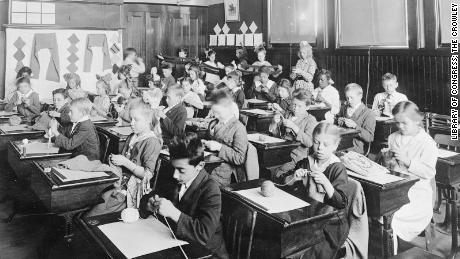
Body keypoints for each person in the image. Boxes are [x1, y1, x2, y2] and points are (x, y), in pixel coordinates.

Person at [139, 133, 229, 258]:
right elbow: (148, 198)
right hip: (176, 244)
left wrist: (173, 212)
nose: (175, 175)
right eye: (174, 167)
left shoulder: (210, 189)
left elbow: (203, 234)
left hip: (206, 253)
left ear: (200, 166)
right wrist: (148, 205)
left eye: (181, 170)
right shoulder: (173, 174)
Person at [275, 122, 350, 259]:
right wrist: (294, 177)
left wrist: (326, 183)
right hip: (307, 217)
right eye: (316, 142)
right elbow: (284, 182)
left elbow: (342, 202)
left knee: (306, 252)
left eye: (325, 145)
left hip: (330, 224)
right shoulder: (306, 162)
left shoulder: (337, 168)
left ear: (335, 146)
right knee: (282, 242)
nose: (320, 148)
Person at [87, 101, 162, 216]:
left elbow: (147, 175)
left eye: (136, 120)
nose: (131, 123)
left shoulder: (152, 142)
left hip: (132, 192)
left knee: (93, 213)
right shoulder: (133, 136)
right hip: (120, 183)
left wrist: (125, 162)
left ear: (147, 121)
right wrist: (115, 161)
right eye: (131, 119)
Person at [385, 101, 437, 254]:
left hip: (417, 195)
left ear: (416, 120)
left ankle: (391, 253)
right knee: (375, 213)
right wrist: (387, 161)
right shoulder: (393, 137)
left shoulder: (427, 143)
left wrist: (408, 161)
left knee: (390, 219)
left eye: (404, 123)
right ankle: (383, 250)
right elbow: (391, 168)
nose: (400, 127)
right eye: (397, 123)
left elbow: (428, 172)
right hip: (395, 189)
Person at [203, 89, 248, 186]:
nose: (215, 115)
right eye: (214, 112)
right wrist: (205, 144)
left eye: (218, 112)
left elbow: (239, 158)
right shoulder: (216, 123)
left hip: (221, 175)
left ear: (228, 109)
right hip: (207, 167)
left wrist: (219, 147)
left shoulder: (238, 128)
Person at [271, 89, 318, 178]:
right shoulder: (287, 114)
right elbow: (277, 134)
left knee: (278, 171)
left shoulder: (310, 120)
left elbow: (309, 142)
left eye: (299, 106)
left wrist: (294, 127)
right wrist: (274, 122)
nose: (295, 108)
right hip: (280, 152)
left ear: (307, 107)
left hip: (296, 157)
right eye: (294, 104)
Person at [336, 83, 376, 155]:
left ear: (360, 96)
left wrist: (355, 126)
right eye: (347, 98)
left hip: (355, 149)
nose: (349, 100)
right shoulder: (344, 108)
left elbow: (370, 137)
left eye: (351, 98)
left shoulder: (368, 113)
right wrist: (337, 121)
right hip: (340, 145)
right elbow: (337, 128)